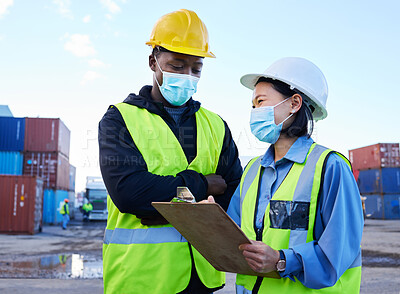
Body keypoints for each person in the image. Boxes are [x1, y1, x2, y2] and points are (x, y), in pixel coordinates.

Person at [98, 9, 242, 294]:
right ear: (153, 62)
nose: (187, 76)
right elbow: (131, 193)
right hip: (142, 278)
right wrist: (201, 185)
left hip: (202, 278)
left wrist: (166, 208)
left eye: (196, 69)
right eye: (176, 66)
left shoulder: (215, 125)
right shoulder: (119, 120)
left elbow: (233, 193)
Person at [224, 57, 364, 293]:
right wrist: (208, 218)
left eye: (261, 102)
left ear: (294, 103)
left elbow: (338, 251)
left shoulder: (330, 167)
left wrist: (282, 260)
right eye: (252, 106)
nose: (254, 112)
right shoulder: (251, 171)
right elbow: (236, 236)